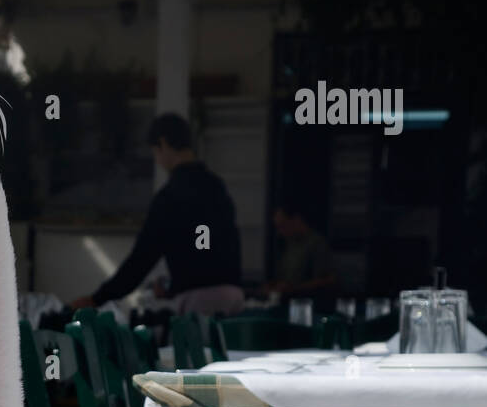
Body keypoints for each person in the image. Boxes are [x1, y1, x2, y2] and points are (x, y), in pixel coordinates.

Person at [72, 112, 244, 317]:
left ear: (163, 144)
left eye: (155, 152)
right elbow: (211, 251)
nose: (158, 161)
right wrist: (172, 286)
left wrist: (98, 298)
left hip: (199, 300)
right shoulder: (217, 187)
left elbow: (142, 257)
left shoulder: (171, 195)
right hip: (235, 294)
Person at [265, 203, 336, 299]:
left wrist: (293, 288)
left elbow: (328, 281)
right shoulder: (289, 244)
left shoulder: (317, 244)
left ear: (297, 220)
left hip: (309, 304)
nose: (280, 232)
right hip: (287, 302)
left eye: (282, 225)